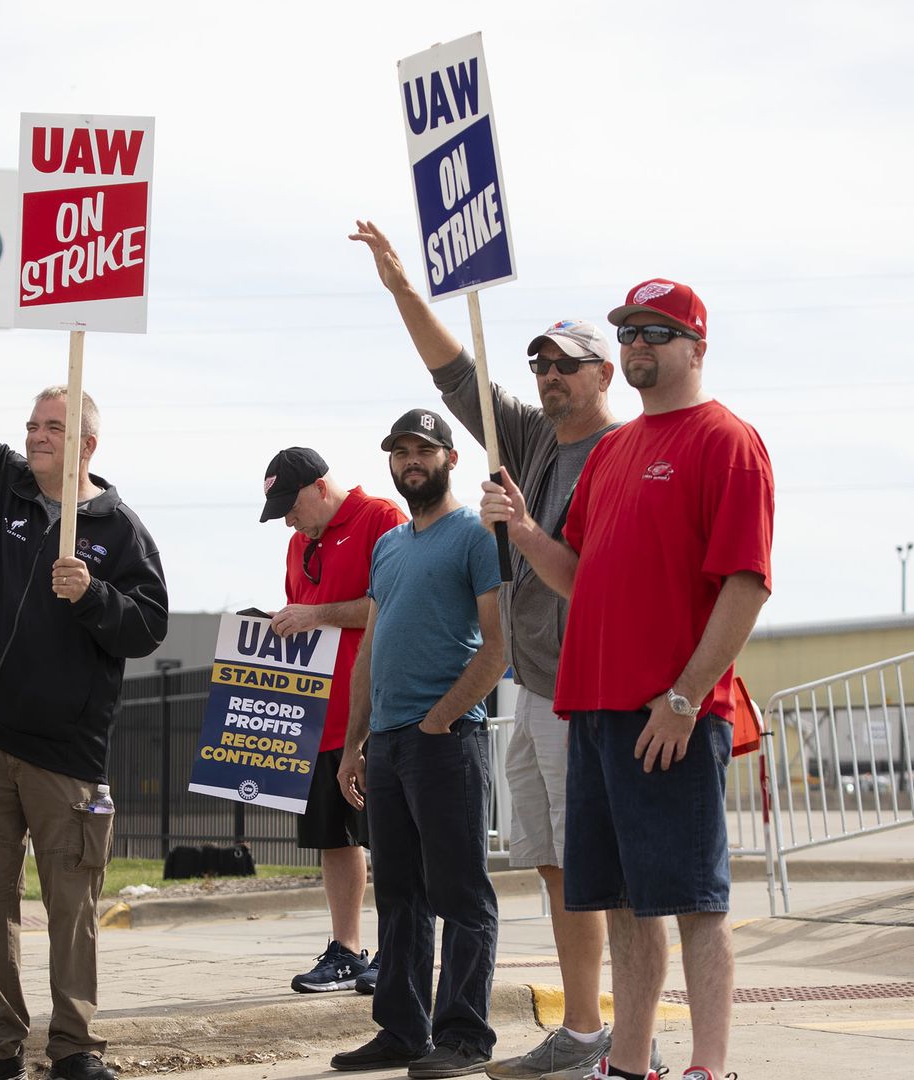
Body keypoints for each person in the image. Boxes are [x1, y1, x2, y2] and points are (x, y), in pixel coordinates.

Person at [350, 220, 629, 1079]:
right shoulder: (531, 439)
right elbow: (456, 373)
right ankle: (581, 1030)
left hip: (589, 689)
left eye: (564, 365)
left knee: (595, 871)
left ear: (602, 374)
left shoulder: (620, 453)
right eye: (539, 365)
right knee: (552, 867)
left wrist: (521, 525)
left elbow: (594, 580)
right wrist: (402, 288)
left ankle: (612, 1032)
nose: (546, 377)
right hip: (535, 689)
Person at [482, 279, 774, 1080]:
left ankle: (709, 1068)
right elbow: (577, 575)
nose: (639, 343)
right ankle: (626, 1063)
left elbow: (745, 583)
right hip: (594, 713)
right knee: (620, 905)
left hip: (669, 715)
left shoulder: (726, 440)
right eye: (629, 332)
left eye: (656, 331)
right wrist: (524, 529)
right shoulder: (612, 452)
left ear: (695, 347)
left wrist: (683, 699)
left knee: (694, 904)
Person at [0, 268, 170, 1080]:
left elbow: (147, 625)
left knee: (71, 911)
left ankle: (75, 1047)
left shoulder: (118, 530)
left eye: (52, 425)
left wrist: (93, 597)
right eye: (31, 423)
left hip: (65, 755)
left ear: (86, 442)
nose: (35, 435)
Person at [329, 409, 506, 1079]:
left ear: (450, 459)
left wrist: (440, 720)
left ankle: (463, 1036)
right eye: (400, 452)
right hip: (390, 746)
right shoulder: (390, 546)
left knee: (460, 893)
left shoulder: (475, 534)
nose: (410, 461)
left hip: (447, 742)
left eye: (422, 451)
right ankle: (403, 1030)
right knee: (398, 894)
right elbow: (371, 648)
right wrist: (354, 744)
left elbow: (498, 646)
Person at [258, 446, 406, 995]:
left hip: (373, 713)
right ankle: (346, 950)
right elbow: (305, 621)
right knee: (333, 839)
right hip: (320, 716)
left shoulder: (381, 519)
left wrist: (316, 614)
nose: (287, 520)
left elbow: (394, 603)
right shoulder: (299, 544)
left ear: (320, 487)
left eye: (290, 506)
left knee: (386, 837)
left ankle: (398, 949)